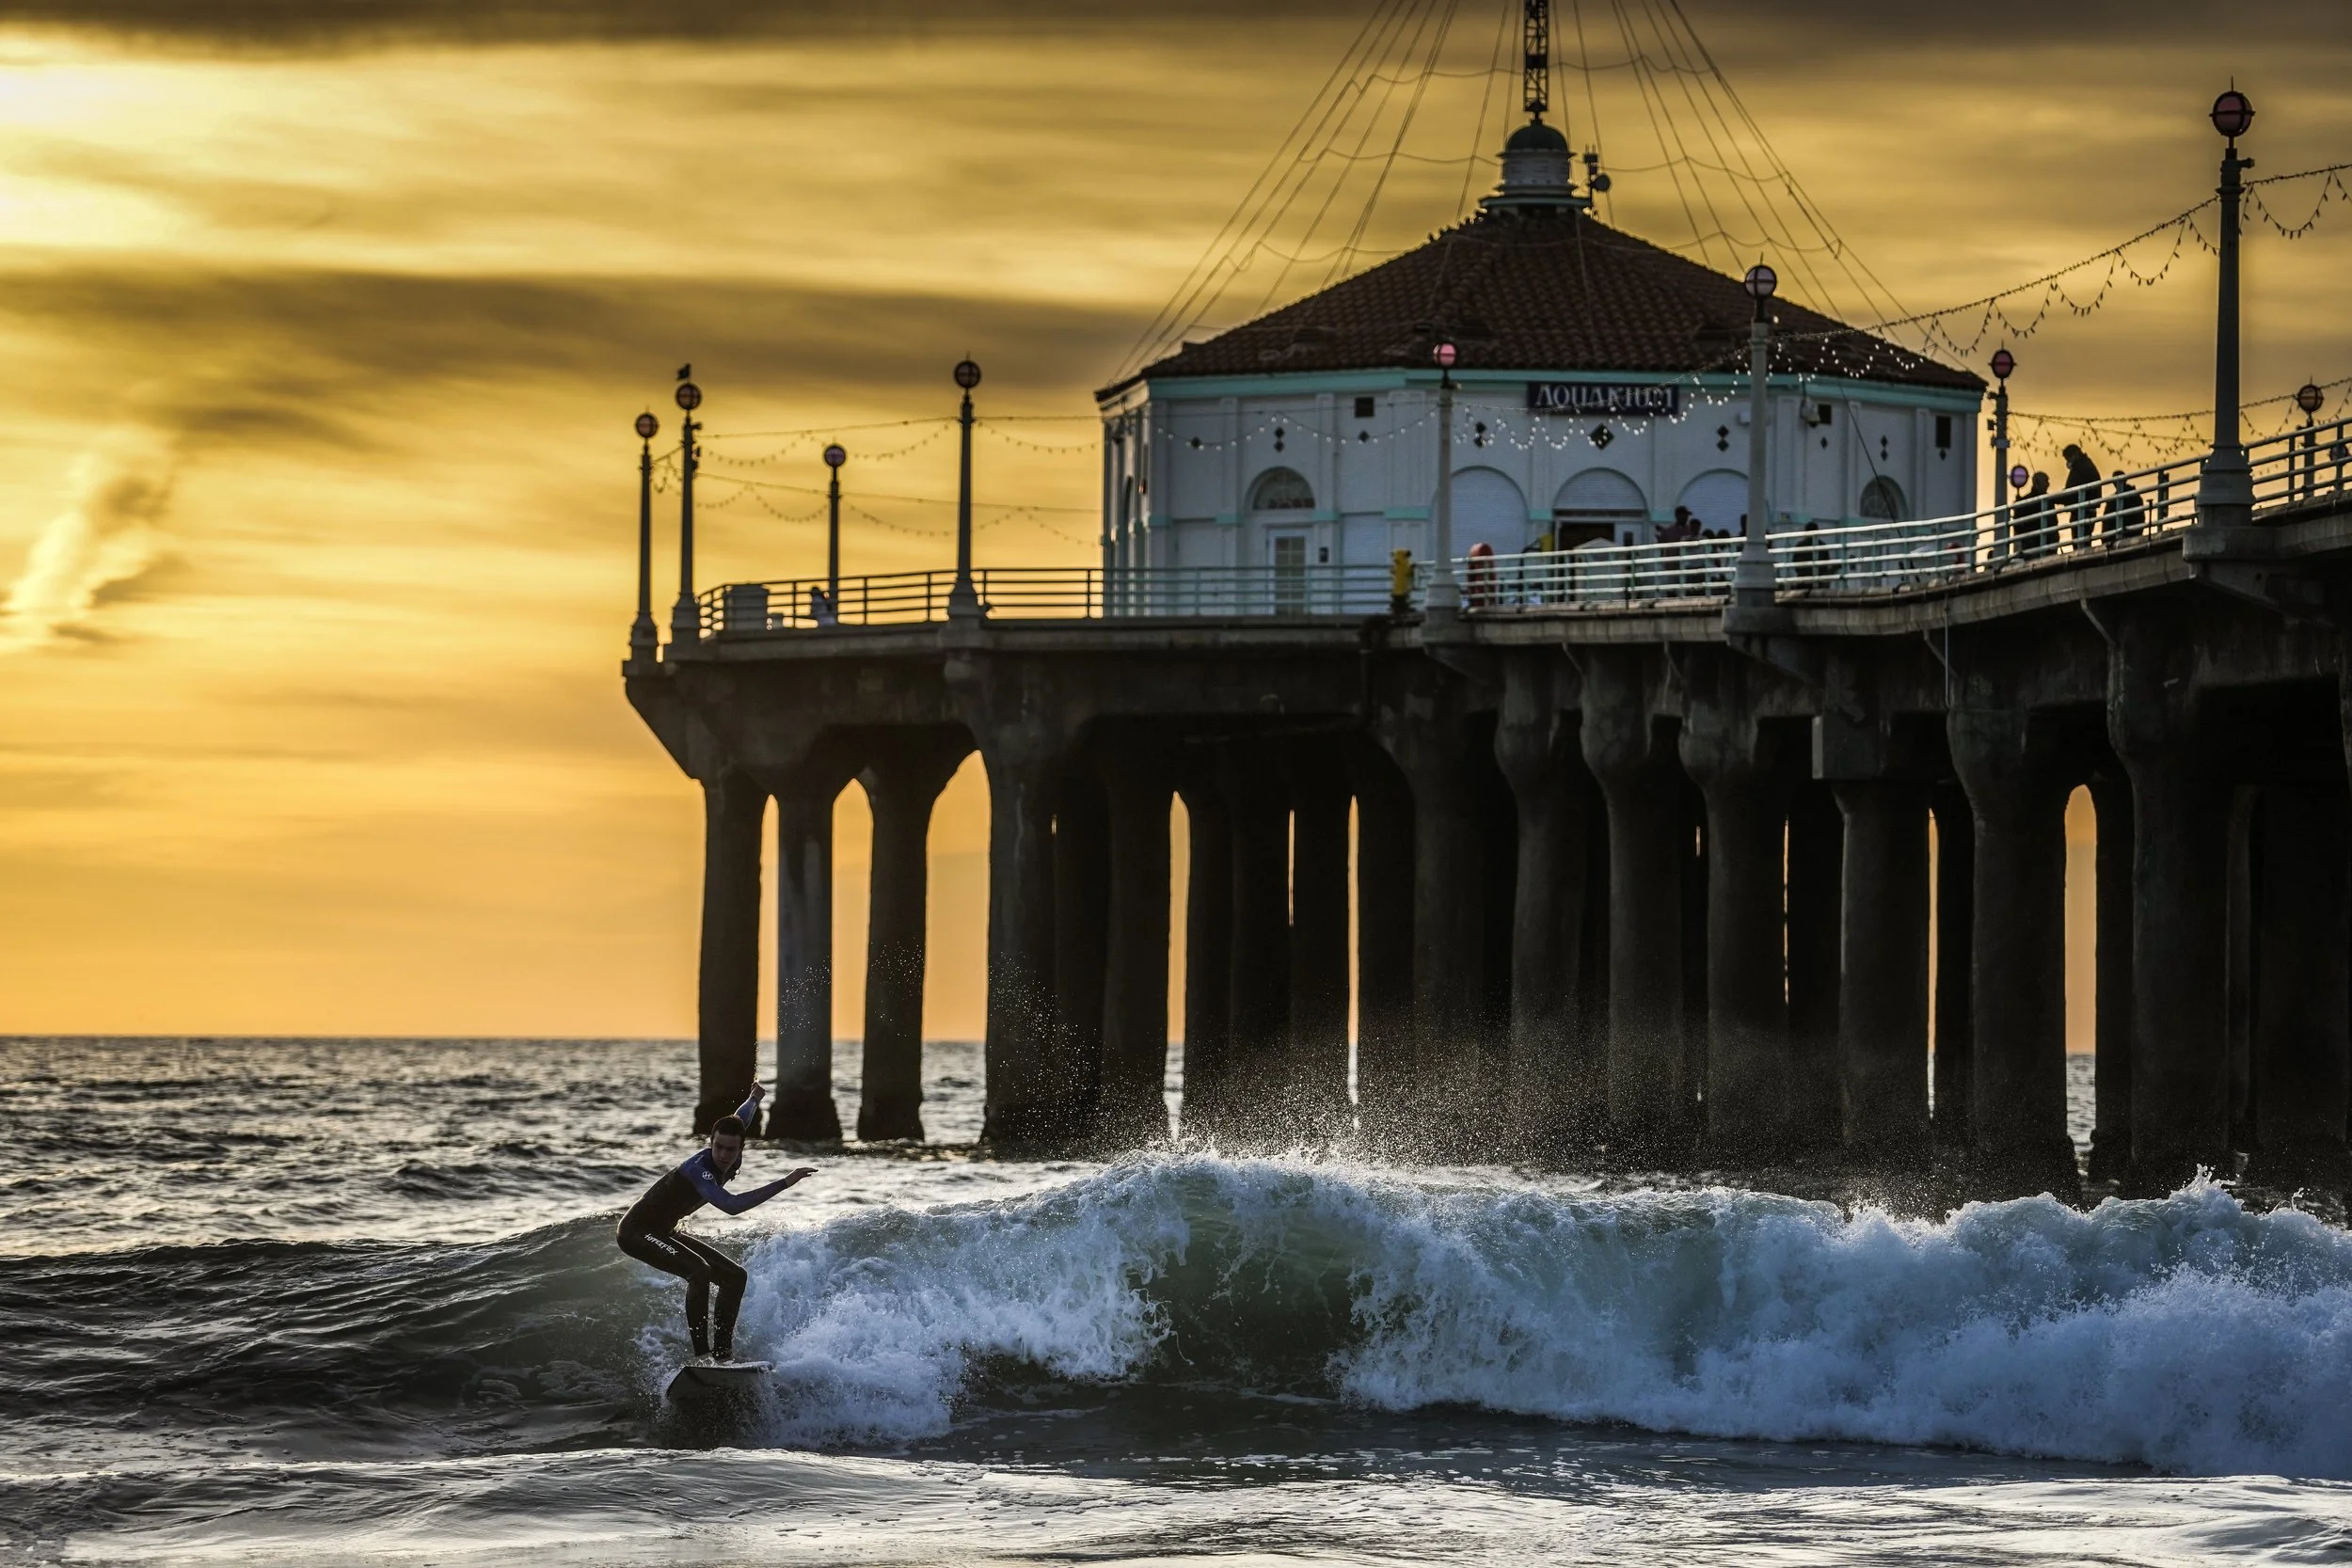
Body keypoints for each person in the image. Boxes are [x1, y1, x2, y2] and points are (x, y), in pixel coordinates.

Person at [616, 1085, 816, 1364]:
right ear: (711, 1141)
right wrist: (785, 1182)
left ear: (741, 1146)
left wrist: (754, 1098)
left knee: (735, 1278)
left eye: (731, 1149)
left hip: (664, 1230)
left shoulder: (734, 1144)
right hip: (637, 1231)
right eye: (718, 1146)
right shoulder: (699, 1170)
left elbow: (740, 1119)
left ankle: (724, 1357)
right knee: (699, 1272)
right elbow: (731, 1206)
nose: (723, 1155)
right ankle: (703, 1358)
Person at [2060, 444, 2104, 547]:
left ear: (2074, 454)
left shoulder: (2080, 468)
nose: (2067, 461)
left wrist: (2059, 498)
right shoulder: (2086, 465)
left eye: (2068, 457)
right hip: (2088, 510)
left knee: (2080, 542)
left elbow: (2073, 490)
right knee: (2084, 540)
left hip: (2082, 511)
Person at [2106, 469, 2146, 539]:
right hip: (2131, 534)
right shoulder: (2135, 496)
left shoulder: (2112, 501)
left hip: (2127, 534)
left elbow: (2106, 522)